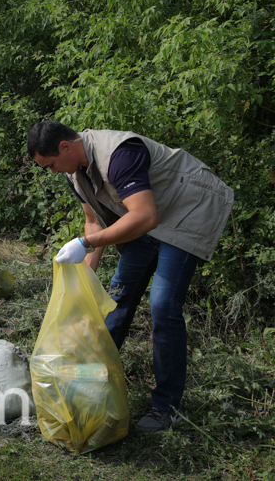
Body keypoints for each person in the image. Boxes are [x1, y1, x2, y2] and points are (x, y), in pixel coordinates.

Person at [26, 120, 234, 432]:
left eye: (52, 164)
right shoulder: (75, 174)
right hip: (150, 213)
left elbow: (144, 216)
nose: (53, 172)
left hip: (188, 206)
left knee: (163, 306)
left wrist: (86, 243)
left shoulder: (120, 154)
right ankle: (88, 387)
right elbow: (94, 224)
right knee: (116, 298)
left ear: (66, 147)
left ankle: (168, 408)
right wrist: (83, 285)